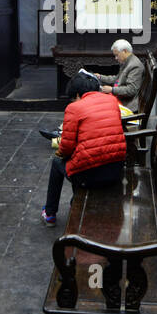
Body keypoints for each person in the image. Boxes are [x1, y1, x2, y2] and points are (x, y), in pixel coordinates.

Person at [42, 73, 127, 226]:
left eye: (73, 97)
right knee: (82, 156)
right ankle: (74, 201)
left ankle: (50, 214)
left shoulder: (74, 108)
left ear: (77, 94)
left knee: (57, 163)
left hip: (90, 176)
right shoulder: (112, 100)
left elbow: (66, 148)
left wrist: (60, 151)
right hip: (116, 169)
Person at [39, 39, 145, 141]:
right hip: (117, 99)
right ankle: (63, 131)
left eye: (117, 55)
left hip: (125, 104)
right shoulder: (128, 62)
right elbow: (116, 79)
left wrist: (111, 90)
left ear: (125, 51)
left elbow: (131, 90)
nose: (116, 58)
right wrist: (100, 77)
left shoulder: (134, 65)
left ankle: (63, 132)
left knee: (88, 106)